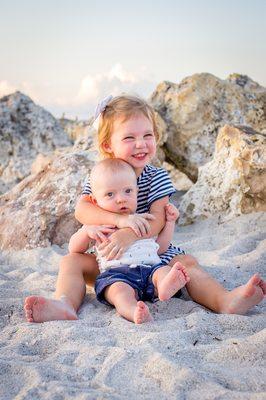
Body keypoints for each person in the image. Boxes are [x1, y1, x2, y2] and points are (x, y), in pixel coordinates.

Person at [24, 94, 265, 323]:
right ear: (108, 145)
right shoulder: (101, 175)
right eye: (129, 138)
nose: (141, 144)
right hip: (110, 262)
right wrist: (119, 222)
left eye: (147, 135)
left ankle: (224, 300)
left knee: (187, 263)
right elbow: (82, 210)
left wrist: (128, 234)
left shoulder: (156, 176)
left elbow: (158, 219)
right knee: (70, 262)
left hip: (154, 258)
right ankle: (65, 303)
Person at [68, 158, 189, 324]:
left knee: (163, 271)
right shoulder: (99, 224)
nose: (121, 199)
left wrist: (169, 223)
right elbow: (74, 250)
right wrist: (86, 232)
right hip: (117, 275)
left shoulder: (143, 220)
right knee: (119, 293)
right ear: (95, 201)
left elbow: (160, 248)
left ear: (137, 192)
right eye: (110, 194)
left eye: (128, 191)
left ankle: (164, 287)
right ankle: (133, 311)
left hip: (151, 270)